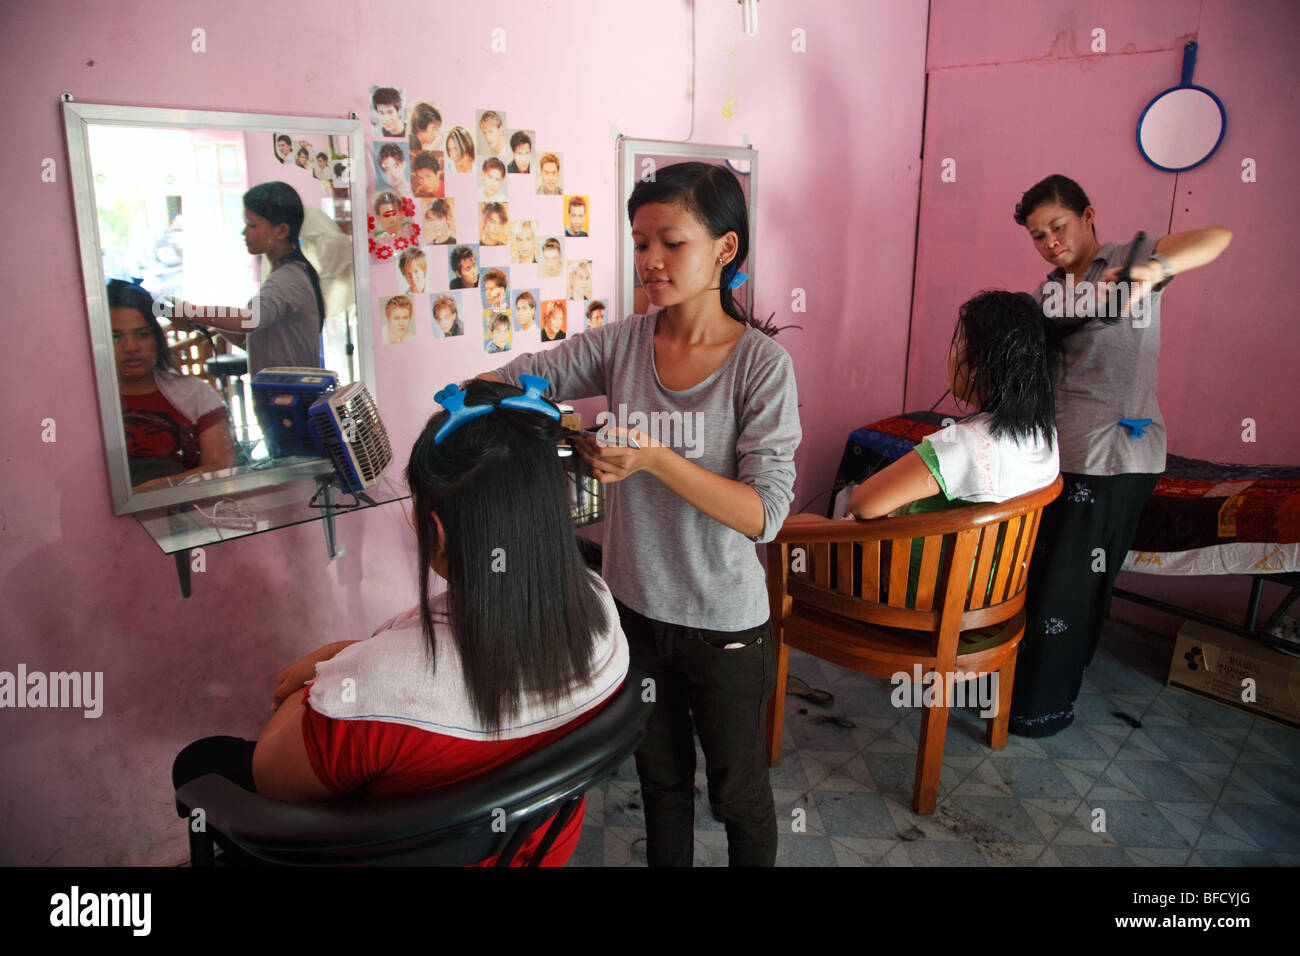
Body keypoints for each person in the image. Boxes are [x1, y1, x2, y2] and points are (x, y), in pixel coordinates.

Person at [482, 161, 801, 867]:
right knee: (660, 783)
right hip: (635, 616)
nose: (650, 261)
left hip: (725, 628)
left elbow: (765, 514)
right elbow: (513, 378)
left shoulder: (760, 366)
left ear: (725, 249)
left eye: (671, 242)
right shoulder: (624, 343)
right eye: (640, 242)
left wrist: (657, 460)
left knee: (739, 792)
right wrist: (551, 419)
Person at [172, 378, 629, 867]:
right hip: (539, 850)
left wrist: (342, 669)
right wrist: (348, 656)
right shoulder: (600, 607)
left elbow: (272, 776)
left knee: (202, 763)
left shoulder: (376, 689)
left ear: (436, 529)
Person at [1007, 174, 1233, 737]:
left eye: (1057, 226)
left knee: (1070, 589)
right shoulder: (1050, 293)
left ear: (1087, 215)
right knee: (1040, 580)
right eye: (1038, 235)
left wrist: (1151, 270)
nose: (1050, 241)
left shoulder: (1126, 265)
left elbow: (1216, 236)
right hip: (1058, 457)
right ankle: (1014, 692)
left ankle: (1040, 711)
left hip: (1113, 458)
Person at [170, 182, 326, 376]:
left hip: (289, 399)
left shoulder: (287, 279)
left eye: (252, 225)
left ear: (282, 231)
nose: (244, 232)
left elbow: (250, 320)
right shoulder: (288, 272)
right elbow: (250, 340)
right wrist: (208, 321)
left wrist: (193, 312)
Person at [109, 279, 236, 491]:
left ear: (157, 339)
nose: (131, 347)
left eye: (142, 334)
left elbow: (221, 467)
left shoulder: (196, 394)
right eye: (115, 337)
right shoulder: (85, 404)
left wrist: (149, 491)